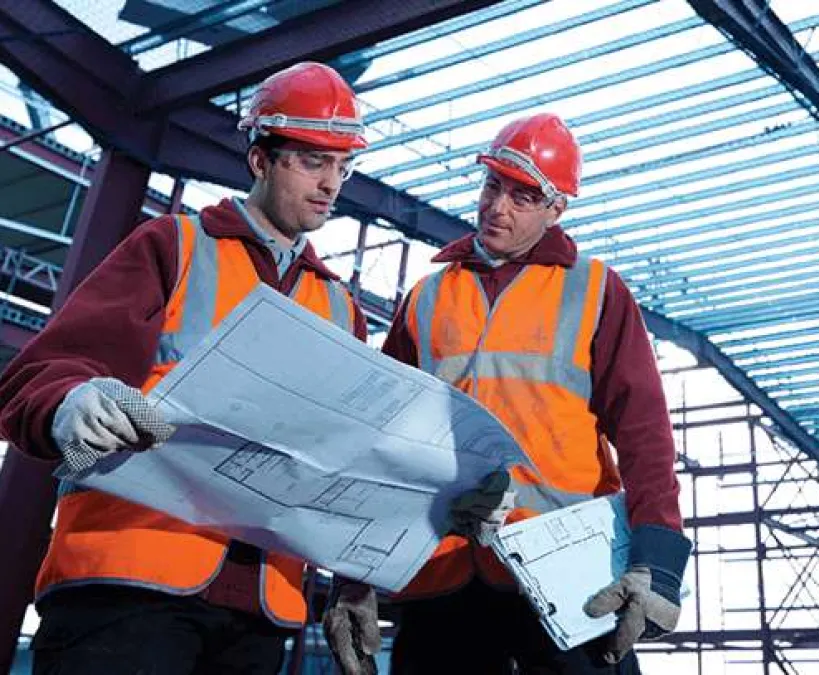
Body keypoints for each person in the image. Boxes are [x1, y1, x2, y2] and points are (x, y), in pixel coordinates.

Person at [0, 62, 370, 675]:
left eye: (343, 167)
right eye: (313, 161)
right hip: (127, 585)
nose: (332, 183)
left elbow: (351, 458)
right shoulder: (172, 245)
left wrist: (358, 578)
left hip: (257, 612)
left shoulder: (341, 307)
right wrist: (71, 401)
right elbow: (45, 371)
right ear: (260, 160)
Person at [323, 113, 690, 675]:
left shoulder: (595, 290)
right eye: (492, 186)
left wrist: (656, 561)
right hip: (441, 573)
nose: (497, 207)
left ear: (556, 208)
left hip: (567, 574)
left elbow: (644, 433)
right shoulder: (425, 297)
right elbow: (381, 441)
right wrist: (354, 575)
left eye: (522, 196)